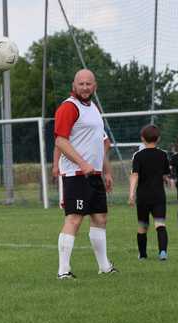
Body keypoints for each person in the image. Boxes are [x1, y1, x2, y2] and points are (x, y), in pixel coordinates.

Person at [53, 69, 116, 279]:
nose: (85, 87)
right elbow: (60, 141)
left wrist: (106, 171)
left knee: (100, 217)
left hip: (94, 175)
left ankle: (105, 266)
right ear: (74, 85)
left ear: (94, 86)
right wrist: (83, 163)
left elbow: (101, 143)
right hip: (75, 174)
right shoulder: (68, 107)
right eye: (81, 84)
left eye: (89, 84)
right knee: (75, 219)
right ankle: (63, 271)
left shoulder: (94, 109)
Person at [128, 125, 170, 261]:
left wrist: (131, 194)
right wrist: (167, 181)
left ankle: (143, 255)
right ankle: (162, 252)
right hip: (158, 195)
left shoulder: (138, 156)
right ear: (158, 138)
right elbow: (165, 175)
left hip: (143, 196)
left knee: (142, 226)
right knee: (160, 224)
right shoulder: (163, 155)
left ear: (142, 139)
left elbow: (135, 175)